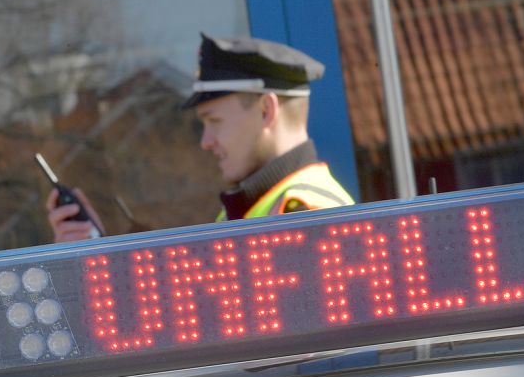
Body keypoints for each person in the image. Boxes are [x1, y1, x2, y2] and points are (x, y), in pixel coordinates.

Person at [46, 33, 354, 242]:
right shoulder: (246, 212)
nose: (206, 141)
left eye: (215, 121)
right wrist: (98, 253)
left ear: (265, 111)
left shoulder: (306, 214)